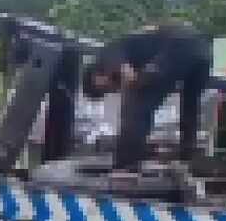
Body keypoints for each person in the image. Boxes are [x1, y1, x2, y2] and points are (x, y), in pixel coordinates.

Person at [83, 22, 213, 171]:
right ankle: (187, 154)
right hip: (202, 49)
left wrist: (132, 85)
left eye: (105, 90)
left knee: (137, 106)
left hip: (179, 44)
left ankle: (126, 164)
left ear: (96, 76)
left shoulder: (107, 54)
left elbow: (129, 76)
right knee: (190, 105)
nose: (112, 91)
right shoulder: (136, 46)